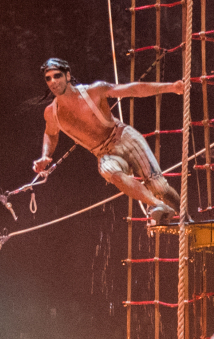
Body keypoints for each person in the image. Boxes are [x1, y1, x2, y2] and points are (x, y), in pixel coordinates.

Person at [29, 58, 187, 228]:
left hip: (124, 138)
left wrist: (171, 87)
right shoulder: (51, 113)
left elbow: (133, 89)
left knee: (160, 188)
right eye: (48, 78)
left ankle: (186, 218)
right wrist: (45, 156)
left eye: (57, 76)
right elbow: (51, 133)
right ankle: (158, 205)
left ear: (67, 76)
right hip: (104, 153)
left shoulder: (94, 91)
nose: (53, 81)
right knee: (109, 170)